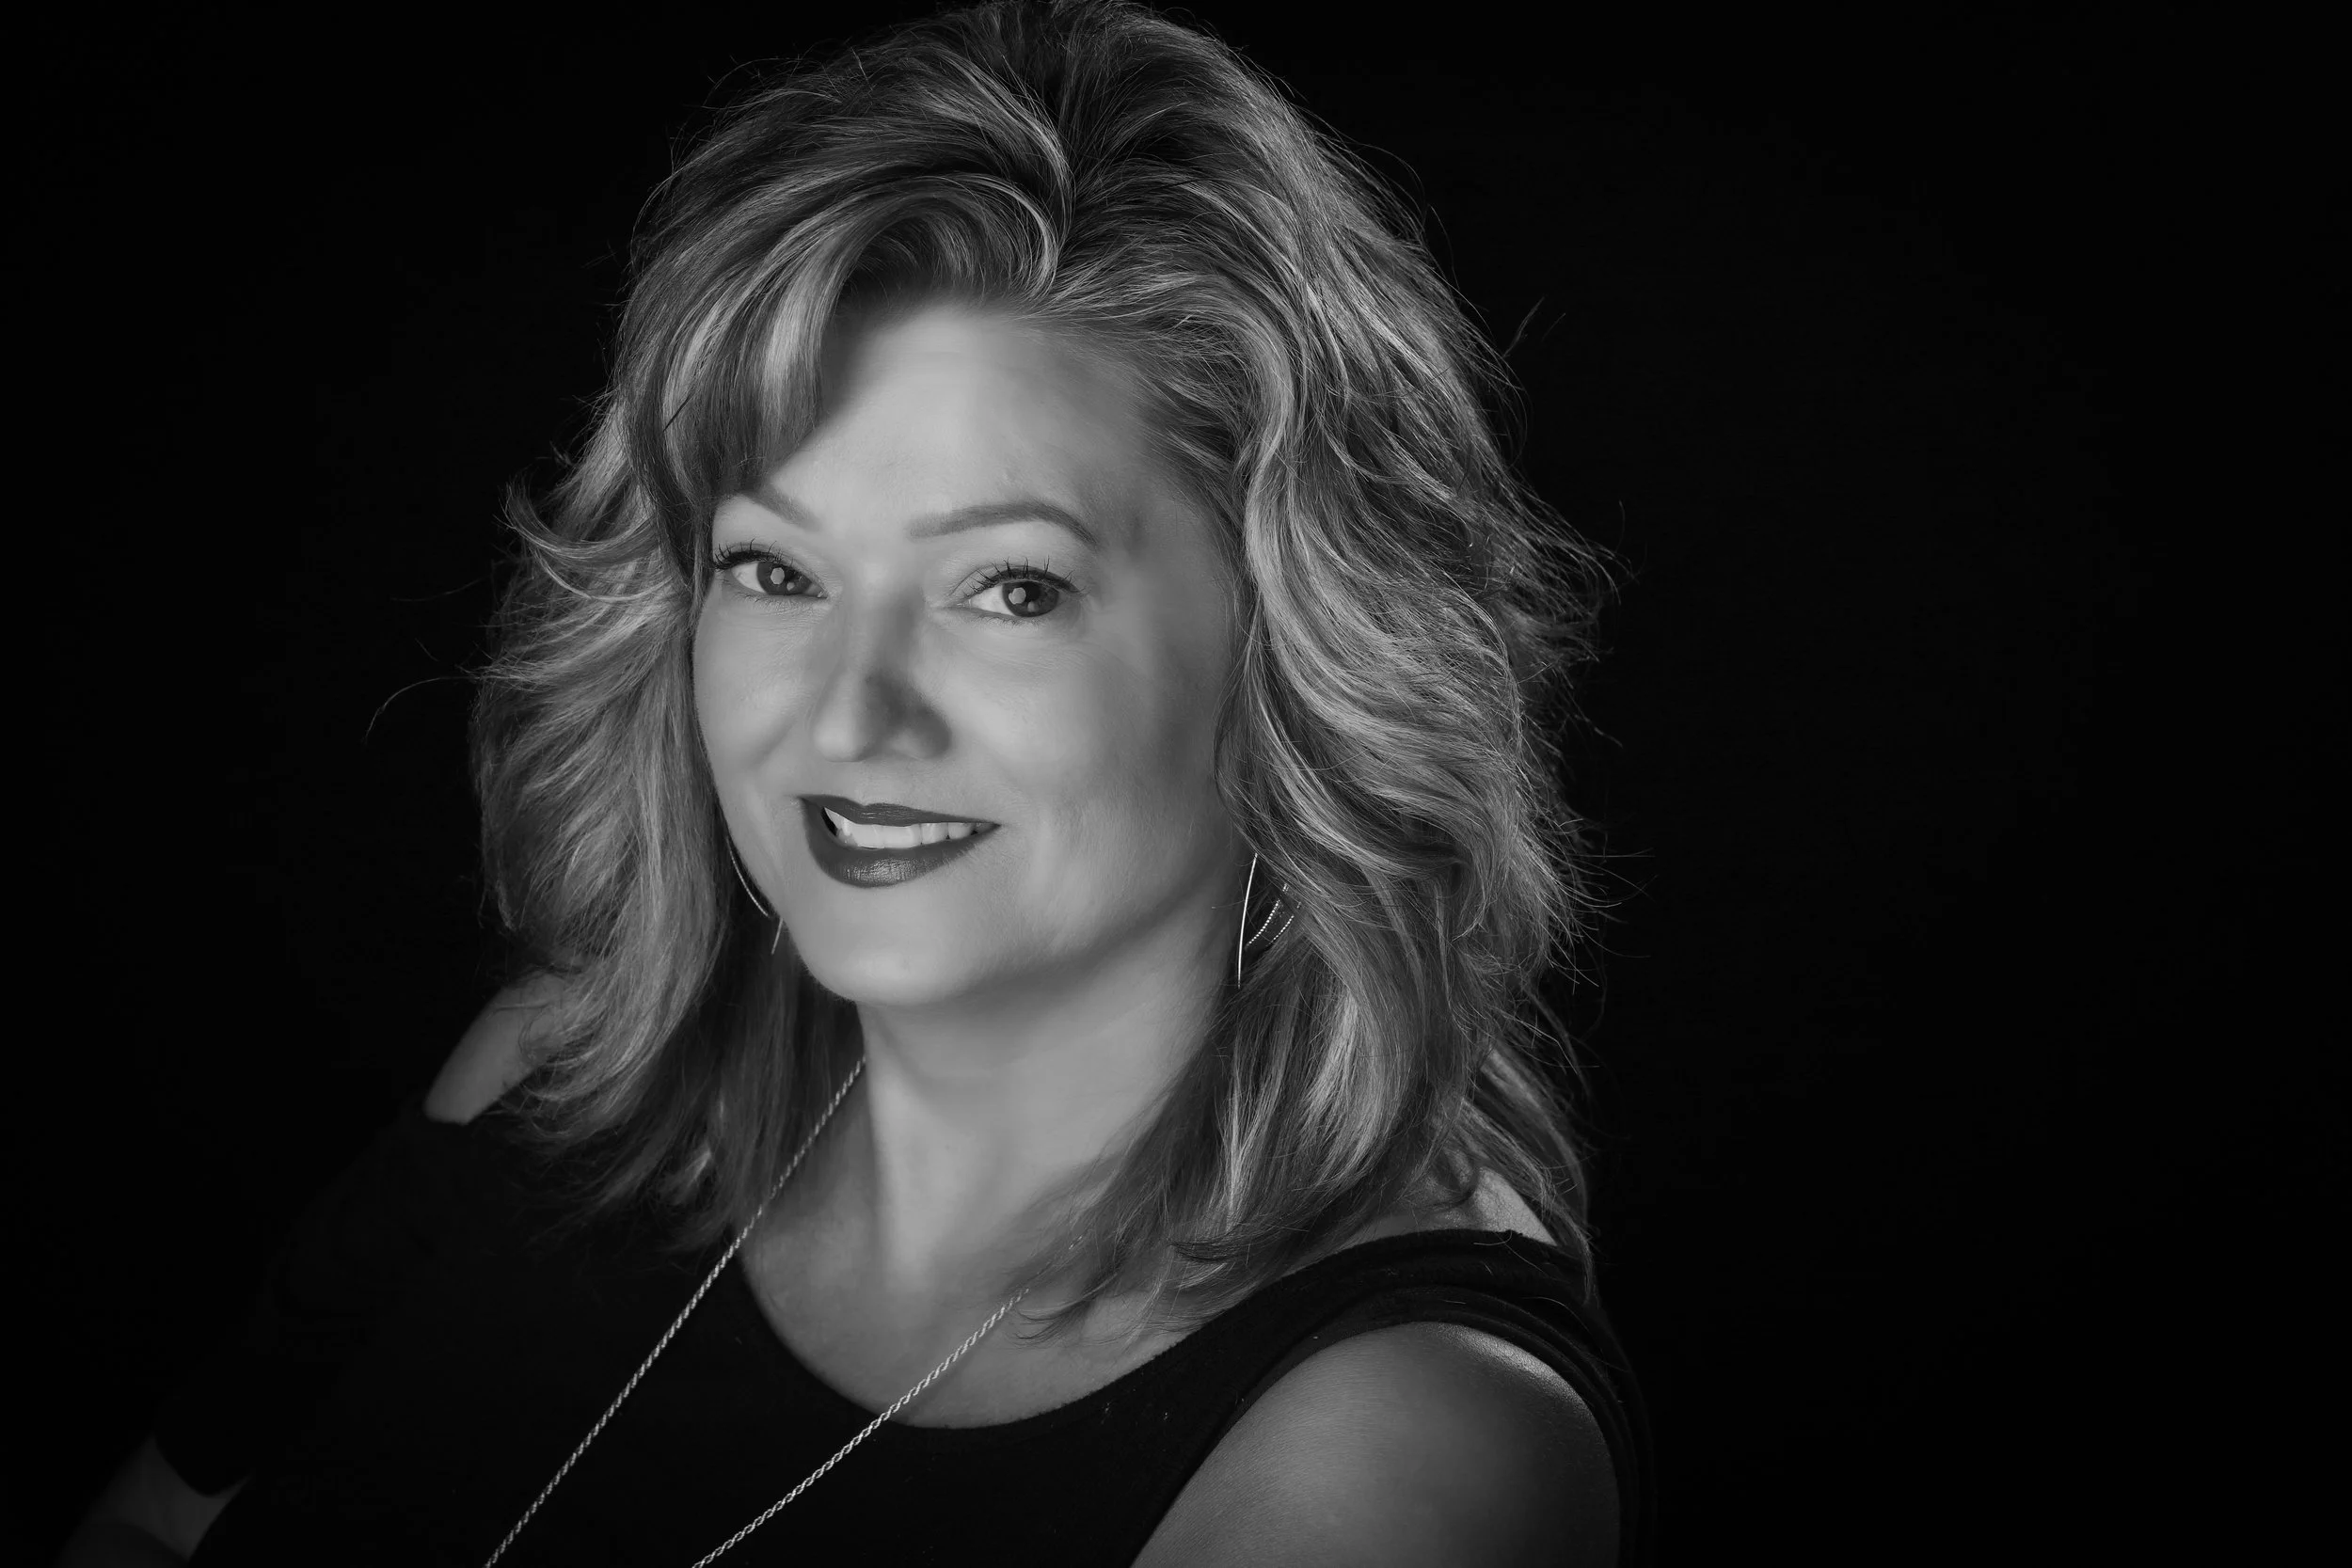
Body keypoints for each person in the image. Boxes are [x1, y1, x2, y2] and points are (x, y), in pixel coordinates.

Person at [62, 2, 1649, 1561]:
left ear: (1297, 643)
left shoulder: (1392, 1455)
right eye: (773, 570)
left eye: (1008, 588)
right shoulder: (559, 1075)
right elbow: (157, 1516)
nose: (852, 712)